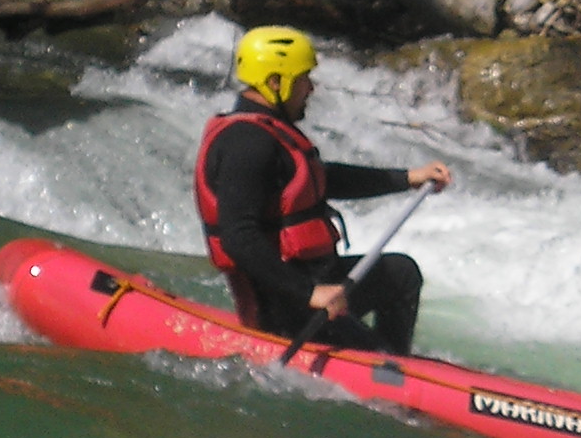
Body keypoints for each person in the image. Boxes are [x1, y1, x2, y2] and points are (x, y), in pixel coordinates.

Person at [194, 25, 452, 353]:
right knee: (375, 351)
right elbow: (238, 237)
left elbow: (321, 180)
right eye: (303, 79)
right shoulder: (246, 144)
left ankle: (397, 364)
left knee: (400, 274)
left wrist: (407, 178)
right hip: (284, 306)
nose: (311, 88)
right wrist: (309, 294)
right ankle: (385, 367)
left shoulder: (270, 134)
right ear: (275, 83)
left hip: (316, 286)